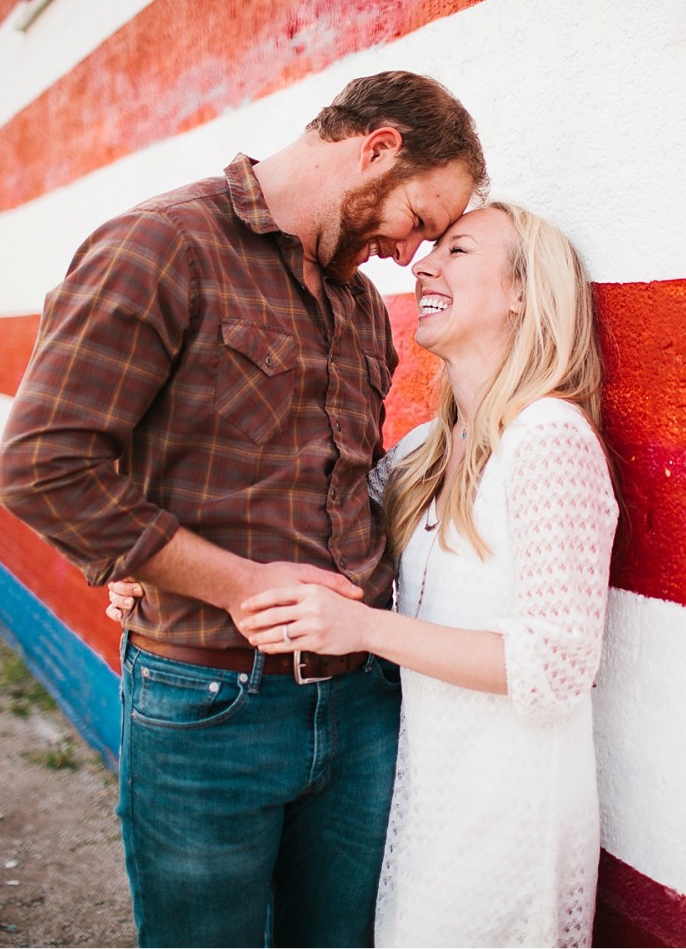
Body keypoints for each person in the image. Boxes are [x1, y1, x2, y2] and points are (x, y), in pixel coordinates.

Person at [0, 71, 487, 948]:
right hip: (210, 704)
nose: (410, 252)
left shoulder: (359, 305)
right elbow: (43, 467)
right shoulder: (161, 246)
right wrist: (222, 579)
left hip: (363, 705)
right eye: (417, 218)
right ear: (376, 149)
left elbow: (343, 487)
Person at [113, 201, 619, 946]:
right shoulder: (427, 448)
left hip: (508, 805)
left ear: (523, 291)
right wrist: (161, 566)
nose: (424, 265)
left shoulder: (548, 437)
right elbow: (315, 526)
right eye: (433, 249)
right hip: (427, 793)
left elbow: (557, 664)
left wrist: (362, 628)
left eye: (458, 251)